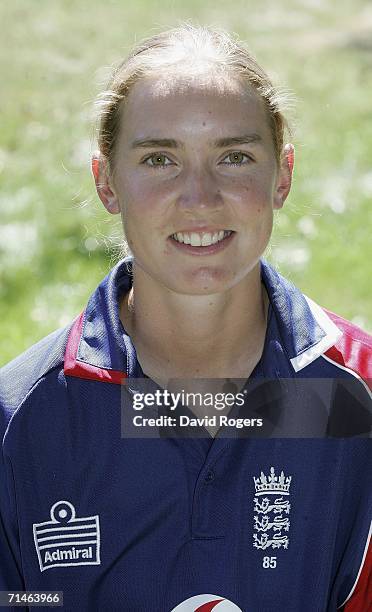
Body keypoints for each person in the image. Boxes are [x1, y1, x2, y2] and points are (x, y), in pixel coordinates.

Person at [0, 24, 371, 612]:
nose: (200, 197)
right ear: (106, 181)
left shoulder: (356, 397)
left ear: (283, 175)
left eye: (235, 156)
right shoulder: (20, 420)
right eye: (159, 159)